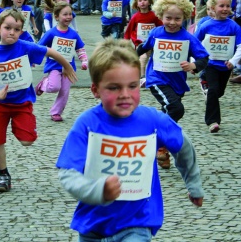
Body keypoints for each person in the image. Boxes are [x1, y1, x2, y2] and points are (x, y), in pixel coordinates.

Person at [56, 38, 204, 242]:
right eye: (114, 87)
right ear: (95, 90)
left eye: (132, 86)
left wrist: (194, 185)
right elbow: (68, 173)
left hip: (137, 223)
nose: (125, 95)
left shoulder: (152, 120)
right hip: (93, 226)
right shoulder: (87, 124)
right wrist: (98, 190)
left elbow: (183, 147)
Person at [0, 9, 77, 192]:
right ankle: (3, 175)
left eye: (17, 29)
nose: (12, 32)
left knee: (27, 141)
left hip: (22, 103)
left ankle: (18, 125)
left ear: (21, 31)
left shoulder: (24, 46)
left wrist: (67, 65)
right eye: (8, 28)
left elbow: (50, 51)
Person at [136, 0, 209, 168]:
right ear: (161, 16)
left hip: (177, 81)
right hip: (157, 78)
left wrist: (193, 66)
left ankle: (162, 152)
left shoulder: (188, 37)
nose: (172, 22)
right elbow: (141, 49)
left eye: (178, 19)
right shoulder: (156, 33)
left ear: (184, 17)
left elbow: (203, 57)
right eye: (168, 18)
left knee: (167, 111)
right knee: (176, 108)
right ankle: (159, 142)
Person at [194, 0, 241, 133]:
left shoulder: (233, 26)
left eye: (228, 6)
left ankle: (205, 84)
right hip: (210, 64)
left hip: (226, 66)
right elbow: (195, 43)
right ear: (212, 8)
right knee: (213, 90)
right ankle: (213, 121)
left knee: (219, 92)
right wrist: (195, 62)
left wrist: (233, 61)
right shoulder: (206, 25)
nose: (225, 9)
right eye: (221, 6)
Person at [36, 2, 87, 121]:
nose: (68, 17)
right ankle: (43, 84)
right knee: (54, 87)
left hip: (68, 68)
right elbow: (39, 48)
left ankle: (56, 112)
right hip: (54, 66)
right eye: (65, 14)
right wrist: (33, 59)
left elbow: (80, 49)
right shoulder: (51, 33)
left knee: (64, 91)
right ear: (57, 16)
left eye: (70, 14)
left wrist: (84, 61)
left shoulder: (73, 34)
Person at [124, 0, 163, 85]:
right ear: (136, 3)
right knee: (143, 57)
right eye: (140, 0)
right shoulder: (135, 17)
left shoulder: (154, 16)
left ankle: (155, 76)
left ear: (149, 2)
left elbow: (161, 27)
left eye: (145, 0)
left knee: (154, 59)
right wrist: (125, 42)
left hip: (152, 43)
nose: (142, 2)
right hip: (140, 43)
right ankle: (142, 77)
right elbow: (129, 30)